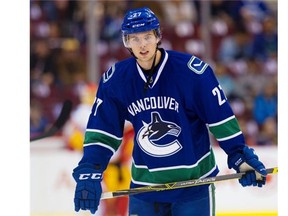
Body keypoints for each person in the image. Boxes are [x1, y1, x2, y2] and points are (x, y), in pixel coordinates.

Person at [72, 7, 267, 216]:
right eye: (134, 39)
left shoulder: (192, 73)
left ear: (158, 36)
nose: (142, 44)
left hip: (194, 185)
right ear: (126, 42)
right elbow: (103, 132)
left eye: (147, 36)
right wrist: (90, 171)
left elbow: (220, 119)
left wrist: (238, 155)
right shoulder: (116, 80)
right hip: (145, 186)